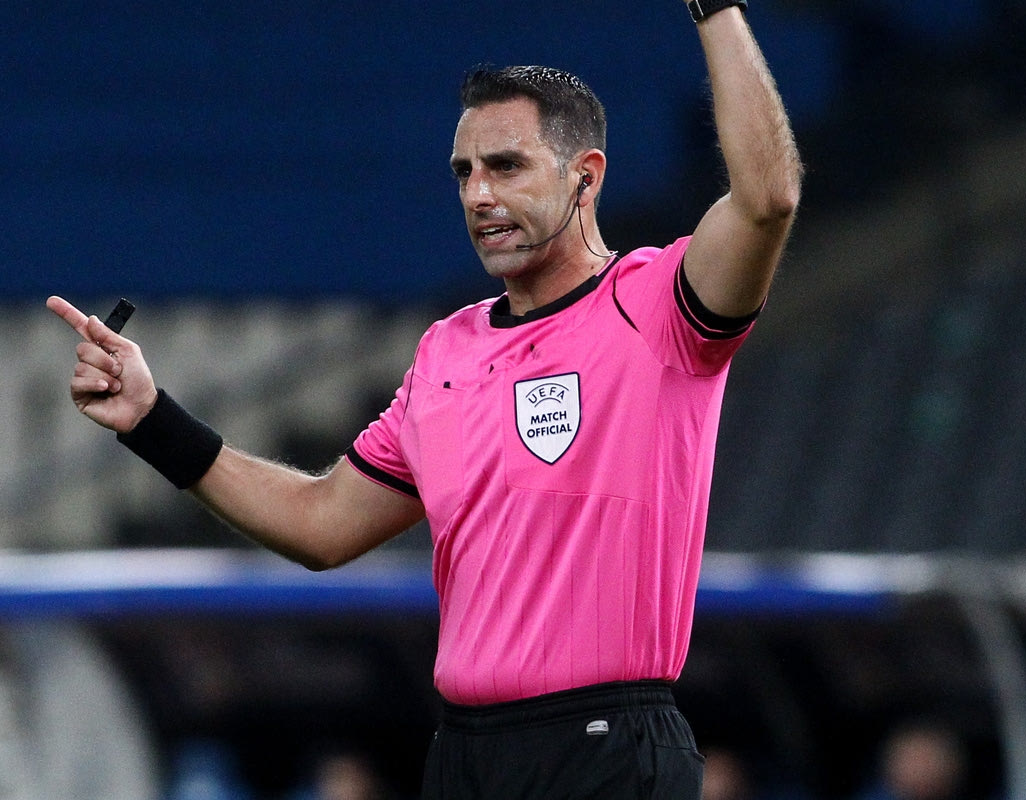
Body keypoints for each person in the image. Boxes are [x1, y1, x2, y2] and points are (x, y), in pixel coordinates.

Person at [48, 1, 800, 796]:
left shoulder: (656, 308)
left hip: (606, 749)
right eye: (464, 173)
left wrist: (716, 9)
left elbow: (767, 200)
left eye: (506, 166)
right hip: (465, 753)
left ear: (586, 176)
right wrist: (152, 421)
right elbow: (322, 524)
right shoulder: (448, 352)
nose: (478, 194)